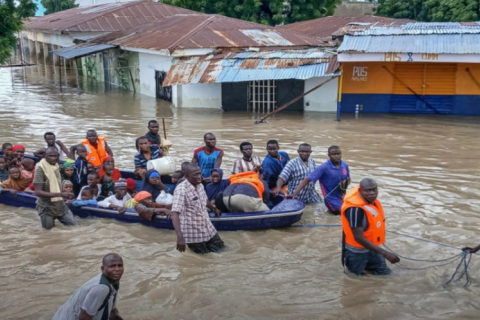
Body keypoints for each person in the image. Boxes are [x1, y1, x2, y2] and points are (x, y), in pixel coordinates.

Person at [341, 178, 400, 276]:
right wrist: (385, 253)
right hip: (356, 252)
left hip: (372, 247)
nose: (372, 193)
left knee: (385, 274)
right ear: (360, 191)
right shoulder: (355, 209)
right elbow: (358, 238)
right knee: (354, 279)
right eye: (368, 190)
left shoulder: (371, 202)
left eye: (374, 190)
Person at [170, 163, 224, 254]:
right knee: (202, 260)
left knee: (222, 250)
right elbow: (175, 213)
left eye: (200, 173)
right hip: (193, 234)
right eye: (195, 175)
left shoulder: (200, 185)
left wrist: (214, 207)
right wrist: (180, 238)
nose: (199, 177)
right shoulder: (181, 190)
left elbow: (204, 200)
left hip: (208, 228)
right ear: (187, 176)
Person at [52, 253, 124, 320]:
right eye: (112, 266)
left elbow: (112, 311)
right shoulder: (102, 288)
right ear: (102, 269)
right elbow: (84, 317)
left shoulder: (114, 281)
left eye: (120, 265)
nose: (117, 269)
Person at [289, 145, 350, 215]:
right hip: (330, 198)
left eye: (338, 154)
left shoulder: (345, 165)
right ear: (329, 155)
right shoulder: (323, 167)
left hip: (342, 195)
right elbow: (307, 179)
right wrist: (295, 193)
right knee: (342, 212)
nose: (336, 156)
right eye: (333, 154)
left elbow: (348, 179)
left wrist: (345, 185)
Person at [33, 147, 76, 230]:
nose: (53, 158)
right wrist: (60, 194)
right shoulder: (40, 169)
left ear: (58, 156)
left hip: (60, 205)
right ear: (45, 155)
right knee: (48, 232)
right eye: (50, 156)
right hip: (46, 207)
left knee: (74, 226)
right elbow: (38, 192)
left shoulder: (56, 165)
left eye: (55, 156)